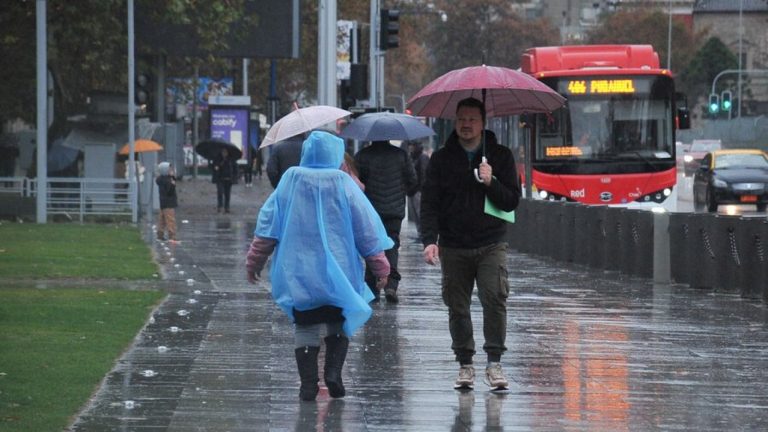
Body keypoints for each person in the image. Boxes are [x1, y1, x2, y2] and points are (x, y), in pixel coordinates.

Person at [245, 130, 393, 402]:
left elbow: (268, 226)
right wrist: (381, 267)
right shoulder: (343, 183)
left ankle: (308, 383)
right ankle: (333, 372)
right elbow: (366, 229)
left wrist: (254, 261)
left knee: (305, 324)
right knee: (337, 320)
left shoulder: (290, 180)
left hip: (299, 271)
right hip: (339, 270)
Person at [420, 97, 521, 390]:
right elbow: (430, 203)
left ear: (483, 123)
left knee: (494, 298)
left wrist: (492, 182)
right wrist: (430, 240)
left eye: (472, 119)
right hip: (453, 245)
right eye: (461, 119)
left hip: (491, 242)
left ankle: (494, 363)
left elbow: (512, 200)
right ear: (455, 122)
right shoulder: (441, 159)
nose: (466, 125)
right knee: (457, 306)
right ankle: (465, 363)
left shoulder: (500, 156)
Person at [354, 139, 417, 303]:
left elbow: (356, 183)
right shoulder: (401, 155)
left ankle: (372, 286)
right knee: (392, 246)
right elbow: (412, 181)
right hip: (394, 212)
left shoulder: (362, 156)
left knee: (371, 246)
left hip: (371, 211)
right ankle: (391, 285)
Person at [406, 139, 430, 240]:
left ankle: (423, 233)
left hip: (418, 191)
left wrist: (420, 189)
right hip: (413, 190)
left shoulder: (422, 157)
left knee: (420, 213)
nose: (410, 147)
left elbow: (424, 174)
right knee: (416, 215)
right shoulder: (412, 157)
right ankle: (420, 233)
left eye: (411, 145)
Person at [155, 162, 178, 241]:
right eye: (169, 169)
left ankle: (160, 235)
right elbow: (169, 192)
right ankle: (172, 236)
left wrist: (172, 178)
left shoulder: (161, 179)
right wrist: (173, 185)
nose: (171, 170)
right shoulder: (167, 181)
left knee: (162, 220)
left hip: (163, 203)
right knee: (170, 220)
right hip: (169, 203)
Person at [212, 147, 237, 213]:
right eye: (223, 152)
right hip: (220, 179)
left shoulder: (231, 159)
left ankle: (227, 207)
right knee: (220, 192)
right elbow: (214, 167)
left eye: (225, 152)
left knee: (227, 194)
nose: (224, 153)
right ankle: (220, 206)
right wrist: (217, 166)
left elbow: (235, 168)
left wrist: (234, 177)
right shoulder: (218, 159)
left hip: (228, 179)